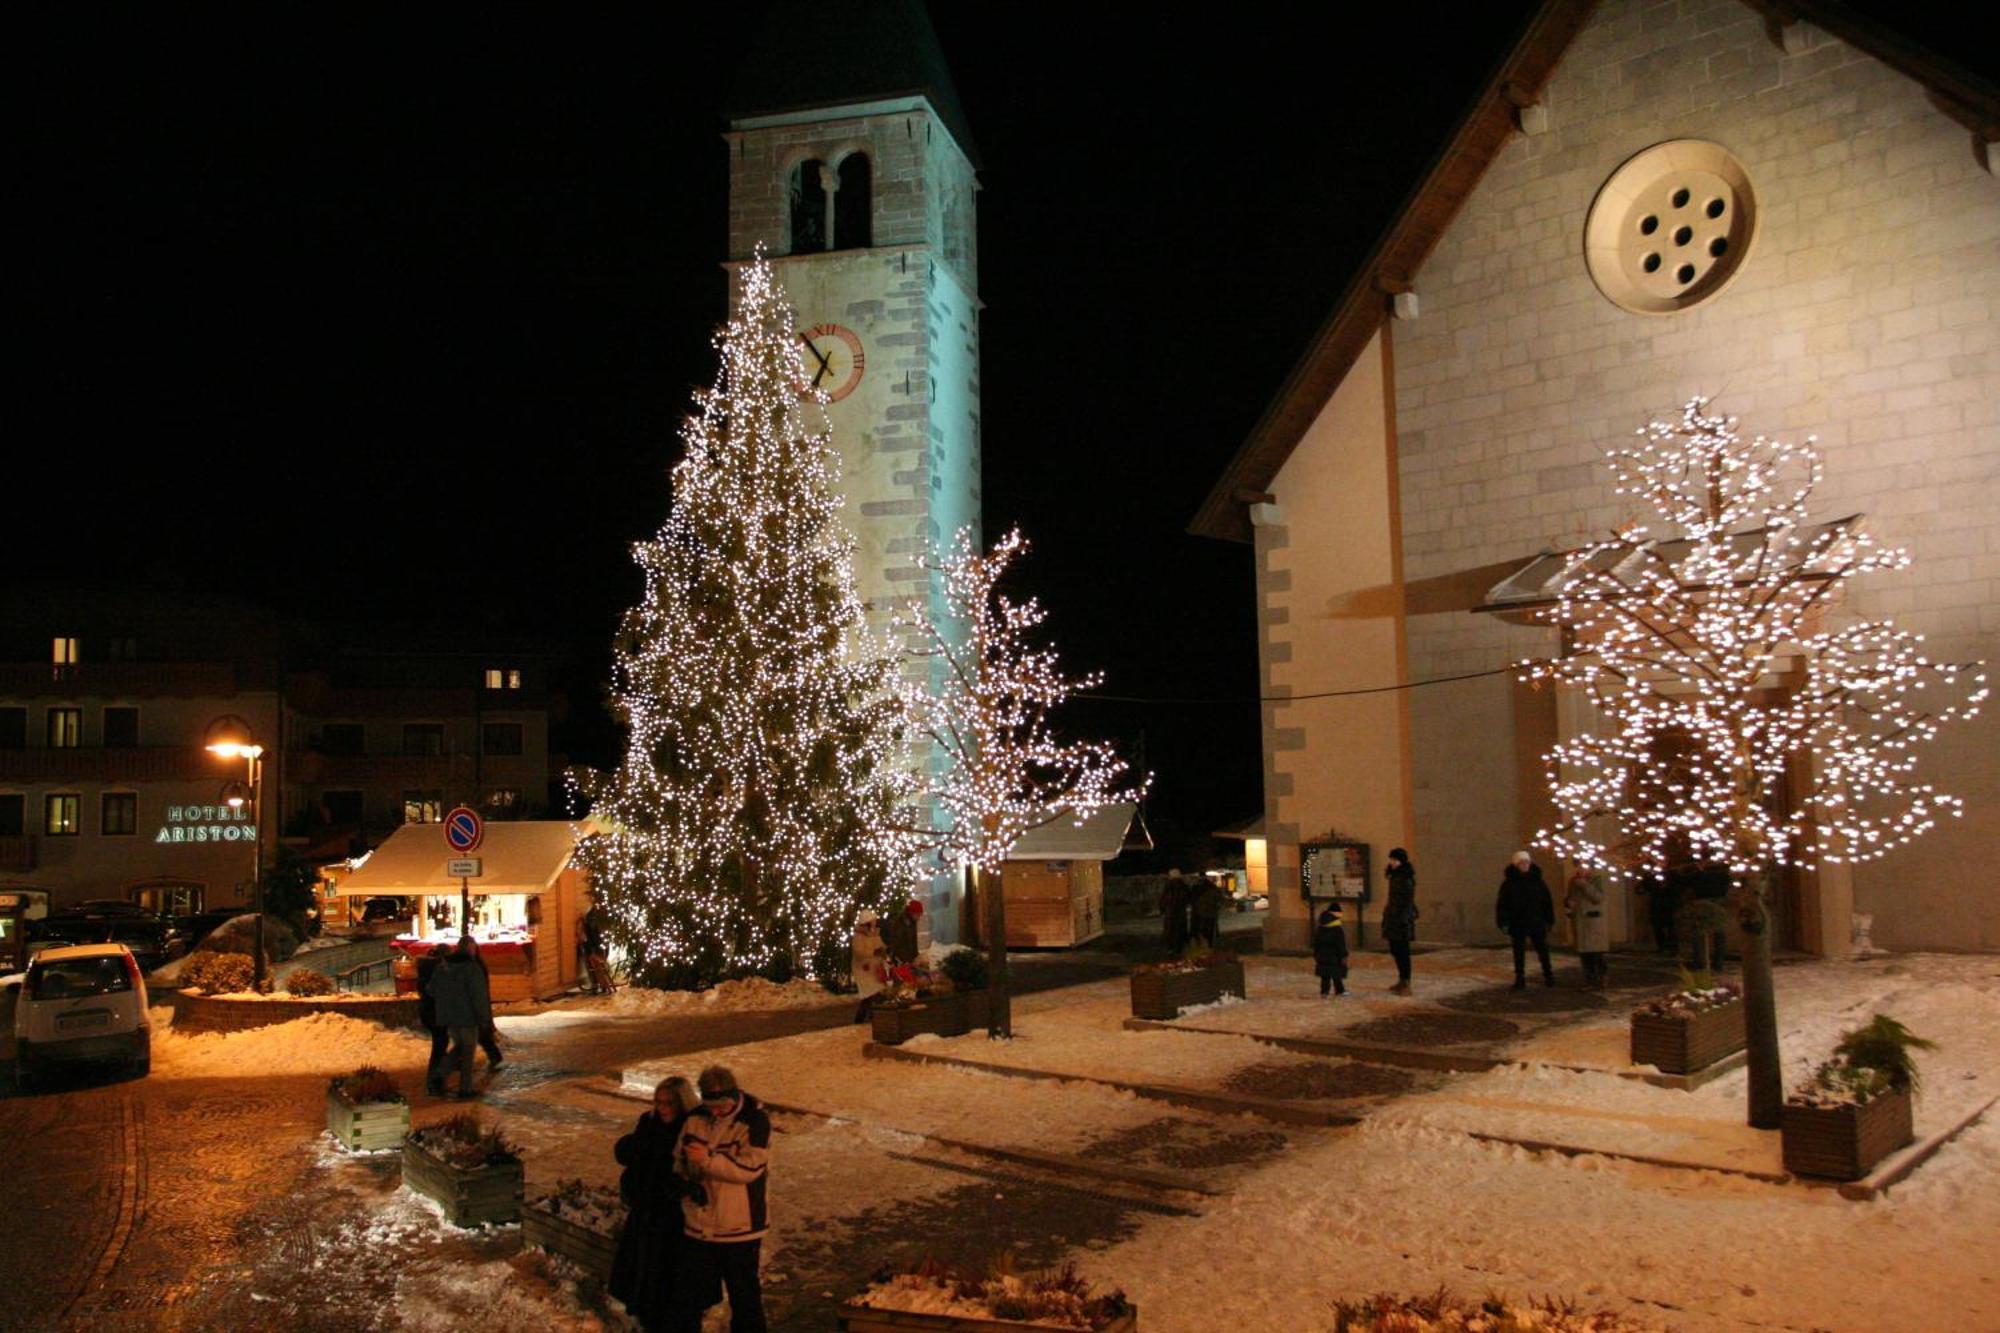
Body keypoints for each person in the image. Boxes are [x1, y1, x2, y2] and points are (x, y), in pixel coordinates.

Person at [670, 1066, 771, 1333]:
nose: (716, 1112)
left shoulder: (754, 1121)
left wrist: (708, 1161)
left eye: (722, 1106)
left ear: (734, 1096)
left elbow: (750, 1169)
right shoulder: (695, 1119)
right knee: (689, 1295)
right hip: (699, 1224)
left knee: (744, 1296)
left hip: (739, 1226)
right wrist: (686, 1179)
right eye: (711, 1106)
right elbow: (678, 1157)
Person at [611, 1076, 710, 1332]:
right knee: (645, 1273)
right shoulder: (649, 1122)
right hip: (648, 1210)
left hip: (676, 1214)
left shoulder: (692, 1127)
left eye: (670, 1103)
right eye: (659, 1102)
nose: (663, 1108)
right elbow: (634, 1155)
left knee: (671, 1277)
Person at [425, 935, 493, 1099]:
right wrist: (485, 1019)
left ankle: (440, 1075)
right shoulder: (472, 969)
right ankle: (464, 1088)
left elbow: (431, 990)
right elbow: (479, 996)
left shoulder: (443, 967)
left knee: (461, 1047)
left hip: (448, 1016)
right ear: (471, 949)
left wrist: (447, 1000)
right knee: (467, 1052)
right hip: (468, 1017)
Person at [1497, 851, 1556, 989]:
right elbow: (1502, 905)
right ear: (1516, 865)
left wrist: (1549, 919)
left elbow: (1546, 902)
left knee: (1542, 949)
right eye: (1522, 863)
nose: (1525, 865)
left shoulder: (1538, 881)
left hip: (1537, 920)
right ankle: (1520, 977)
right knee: (1518, 952)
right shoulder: (1509, 884)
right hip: (1518, 922)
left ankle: (1548, 974)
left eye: (1526, 862)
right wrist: (1504, 922)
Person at [1380, 848, 1418, 995]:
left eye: (1395, 860)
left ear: (1401, 861)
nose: (1392, 862)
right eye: (1391, 859)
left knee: (1402, 951)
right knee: (1395, 949)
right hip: (1393, 917)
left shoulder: (1405, 878)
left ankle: (1406, 981)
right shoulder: (1395, 876)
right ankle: (1402, 979)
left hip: (1401, 920)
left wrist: (1402, 919)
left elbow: (1407, 901)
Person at [1564, 867, 1610, 988]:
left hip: (1593, 922)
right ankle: (1589, 980)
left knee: (1596, 953)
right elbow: (1569, 896)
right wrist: (1568, 902)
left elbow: (1598, 897)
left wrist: (1584, 885)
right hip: (1580, 920)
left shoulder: (1597, 879)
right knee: (1585, 954)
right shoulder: (1573, 881)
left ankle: (1601, 978)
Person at [464, 937, 505, 1071]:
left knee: (479, 1033)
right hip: (475, 1003)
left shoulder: (475, 965)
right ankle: (494, 1055)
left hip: (476, 1003)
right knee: (479, 1034)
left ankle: (494, 1055)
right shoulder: (475, 964)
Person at [418, 942, 453, 1096]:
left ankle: (437, 1082)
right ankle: (434, 1084)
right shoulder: (437, 969)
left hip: (430, 1012)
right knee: (439, 1048)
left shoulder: (426, 968)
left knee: (440, 1047)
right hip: (436, 1013)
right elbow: (434, 991)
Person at [850, 909, 888, 1023]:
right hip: (863, 969)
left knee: (873, 993)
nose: (875, 922)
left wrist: (883, 950)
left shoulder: (875, 933)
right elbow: (858, 952)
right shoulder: (858, 936)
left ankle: (871, 1017)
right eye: (873, 920)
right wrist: (873, 952)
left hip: (874, 968)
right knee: (869, 994)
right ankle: (867, 1018)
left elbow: (880, 945)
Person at [1638, 867, 1679, 957]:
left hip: (1669, 904)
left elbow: (1677, 888)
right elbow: (1640, 888)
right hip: (1656, 905)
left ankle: (1672, 948)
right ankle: (1662, 946)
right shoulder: (1651, 877)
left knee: (1671, 928)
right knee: (1657, 928)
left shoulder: (1672, 874)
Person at [1311, 902, 1349, 997]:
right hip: (1334, 956)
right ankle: (1340, 990)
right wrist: (1344, 955)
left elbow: (1316, 942)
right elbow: (1340, 943)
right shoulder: (1337, 928)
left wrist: (1316, 954)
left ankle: (1324, 991)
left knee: (1325, 975)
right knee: (1336, 974)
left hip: (1322, 955)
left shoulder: (1321, 926)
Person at [582, 907, 616, 995]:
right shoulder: (592, 921)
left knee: (598, 965)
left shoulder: (594, 920)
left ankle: (600, 984)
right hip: (595, 947)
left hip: (597, 947)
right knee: (597, 966)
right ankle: (600, 984)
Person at [1157, 871, 1190, 957]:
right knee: (1179, 931)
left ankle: (1170, 949)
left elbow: (1163, 899)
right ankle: (1179, 949)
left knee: (1170, 931)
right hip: (1180, 913)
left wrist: (1162, 909)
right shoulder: (1183, 886)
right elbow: (1188, 898)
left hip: (1170, 913)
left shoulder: (1169, 886)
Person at [882, 898, 921, 968]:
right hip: (900, 960)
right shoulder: (900, 924)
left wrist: (916, 956)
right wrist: (907, 960)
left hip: (908, 959)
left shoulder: (912, 922)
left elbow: (913, 941)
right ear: (912, 913)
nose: (919, 918)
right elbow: (897, 945)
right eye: (918, 915)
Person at [1189, 875, 1224, 949]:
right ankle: (1210, 944)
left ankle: (1200, 945)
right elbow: (1220, 899)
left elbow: (1191, 899)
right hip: (1211, 912)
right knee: (1210, 929)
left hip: (1199, 913)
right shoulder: (1213, 887)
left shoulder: (1195, 888)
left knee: (1200, 929)